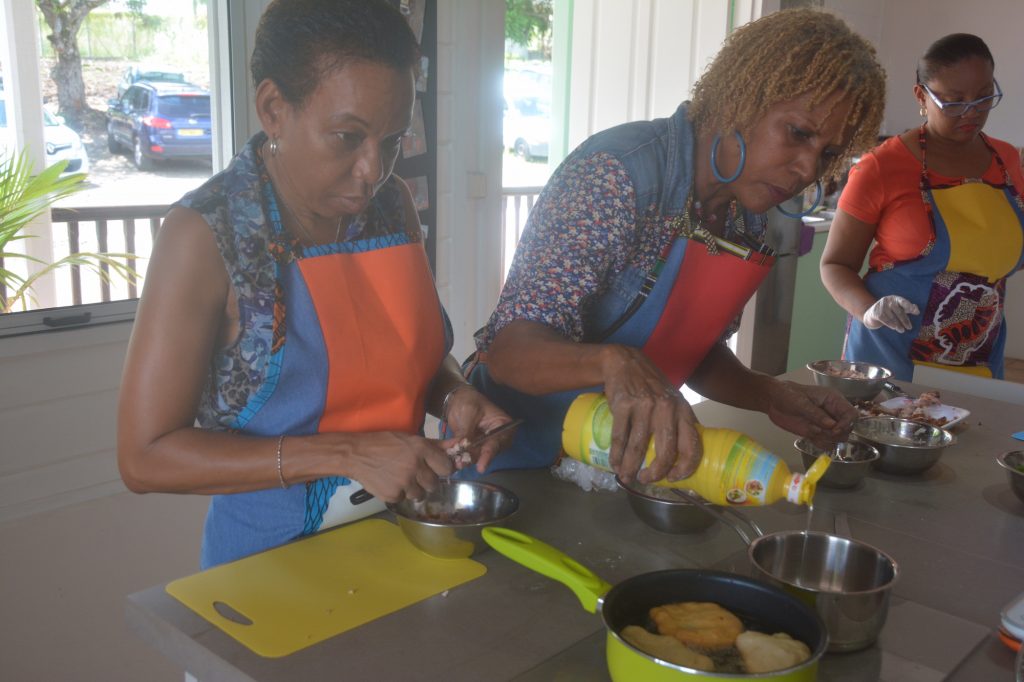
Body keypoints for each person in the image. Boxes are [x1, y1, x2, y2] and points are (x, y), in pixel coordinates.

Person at [117, 0, 512, 569]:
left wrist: (454, 396)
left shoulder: (390, 207)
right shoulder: (207, 235)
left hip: (399, 537)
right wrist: (348, 453)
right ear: (274, 108)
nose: (373, 171)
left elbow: (410, 361)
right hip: (264, 567)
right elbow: (144, 456)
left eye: (394, 140)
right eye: (348, 137)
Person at [466, 9, 884, 485]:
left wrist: (769, 395)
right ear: (739, 99)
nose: (808, 170)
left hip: (612, 463)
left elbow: (693, 354)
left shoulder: (745, 217)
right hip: (514, 453)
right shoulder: (617, 174)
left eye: (828, 154)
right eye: (798, 133)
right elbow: (508, 353)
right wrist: (615, 361)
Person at [821, 33, 1024, 382]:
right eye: (954, 101)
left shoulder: (1008, 162)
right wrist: (867, 309)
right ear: (921, 96)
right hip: (889, 355)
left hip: (977, 359)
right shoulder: (881, 167)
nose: (972, 112)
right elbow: (835, 264)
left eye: (984, 96)